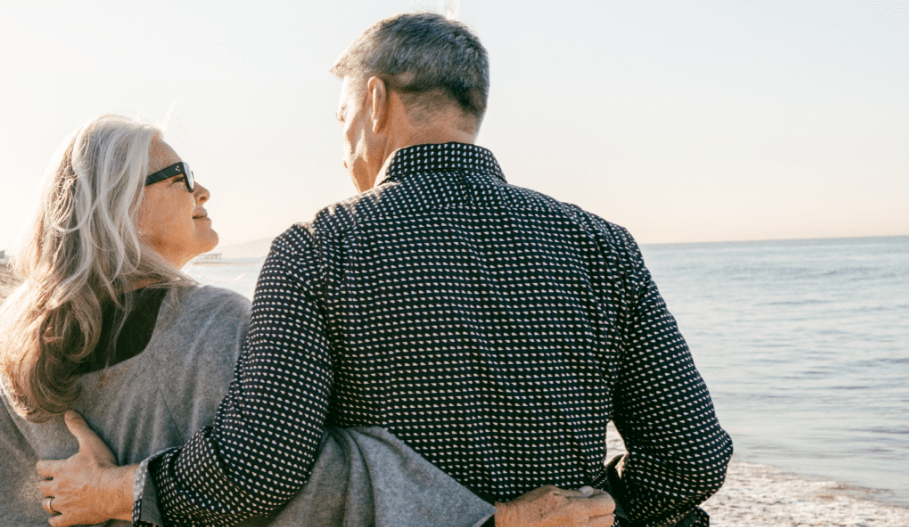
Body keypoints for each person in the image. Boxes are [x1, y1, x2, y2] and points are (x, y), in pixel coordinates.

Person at [42, 12, 732, 527]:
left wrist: (122, 489)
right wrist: (603, 506)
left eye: (341, 116)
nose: (344, 147)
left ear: (374, 102)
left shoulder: (317, 248)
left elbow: (260, 466)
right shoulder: (600, 243)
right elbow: (693, 455)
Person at [1, 115, 612, 527]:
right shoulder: (210, 325)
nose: (204, 191)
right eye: (181, 177)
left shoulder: (15, 349)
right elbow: (312, 480)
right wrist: (493, 519)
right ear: (122, 206)